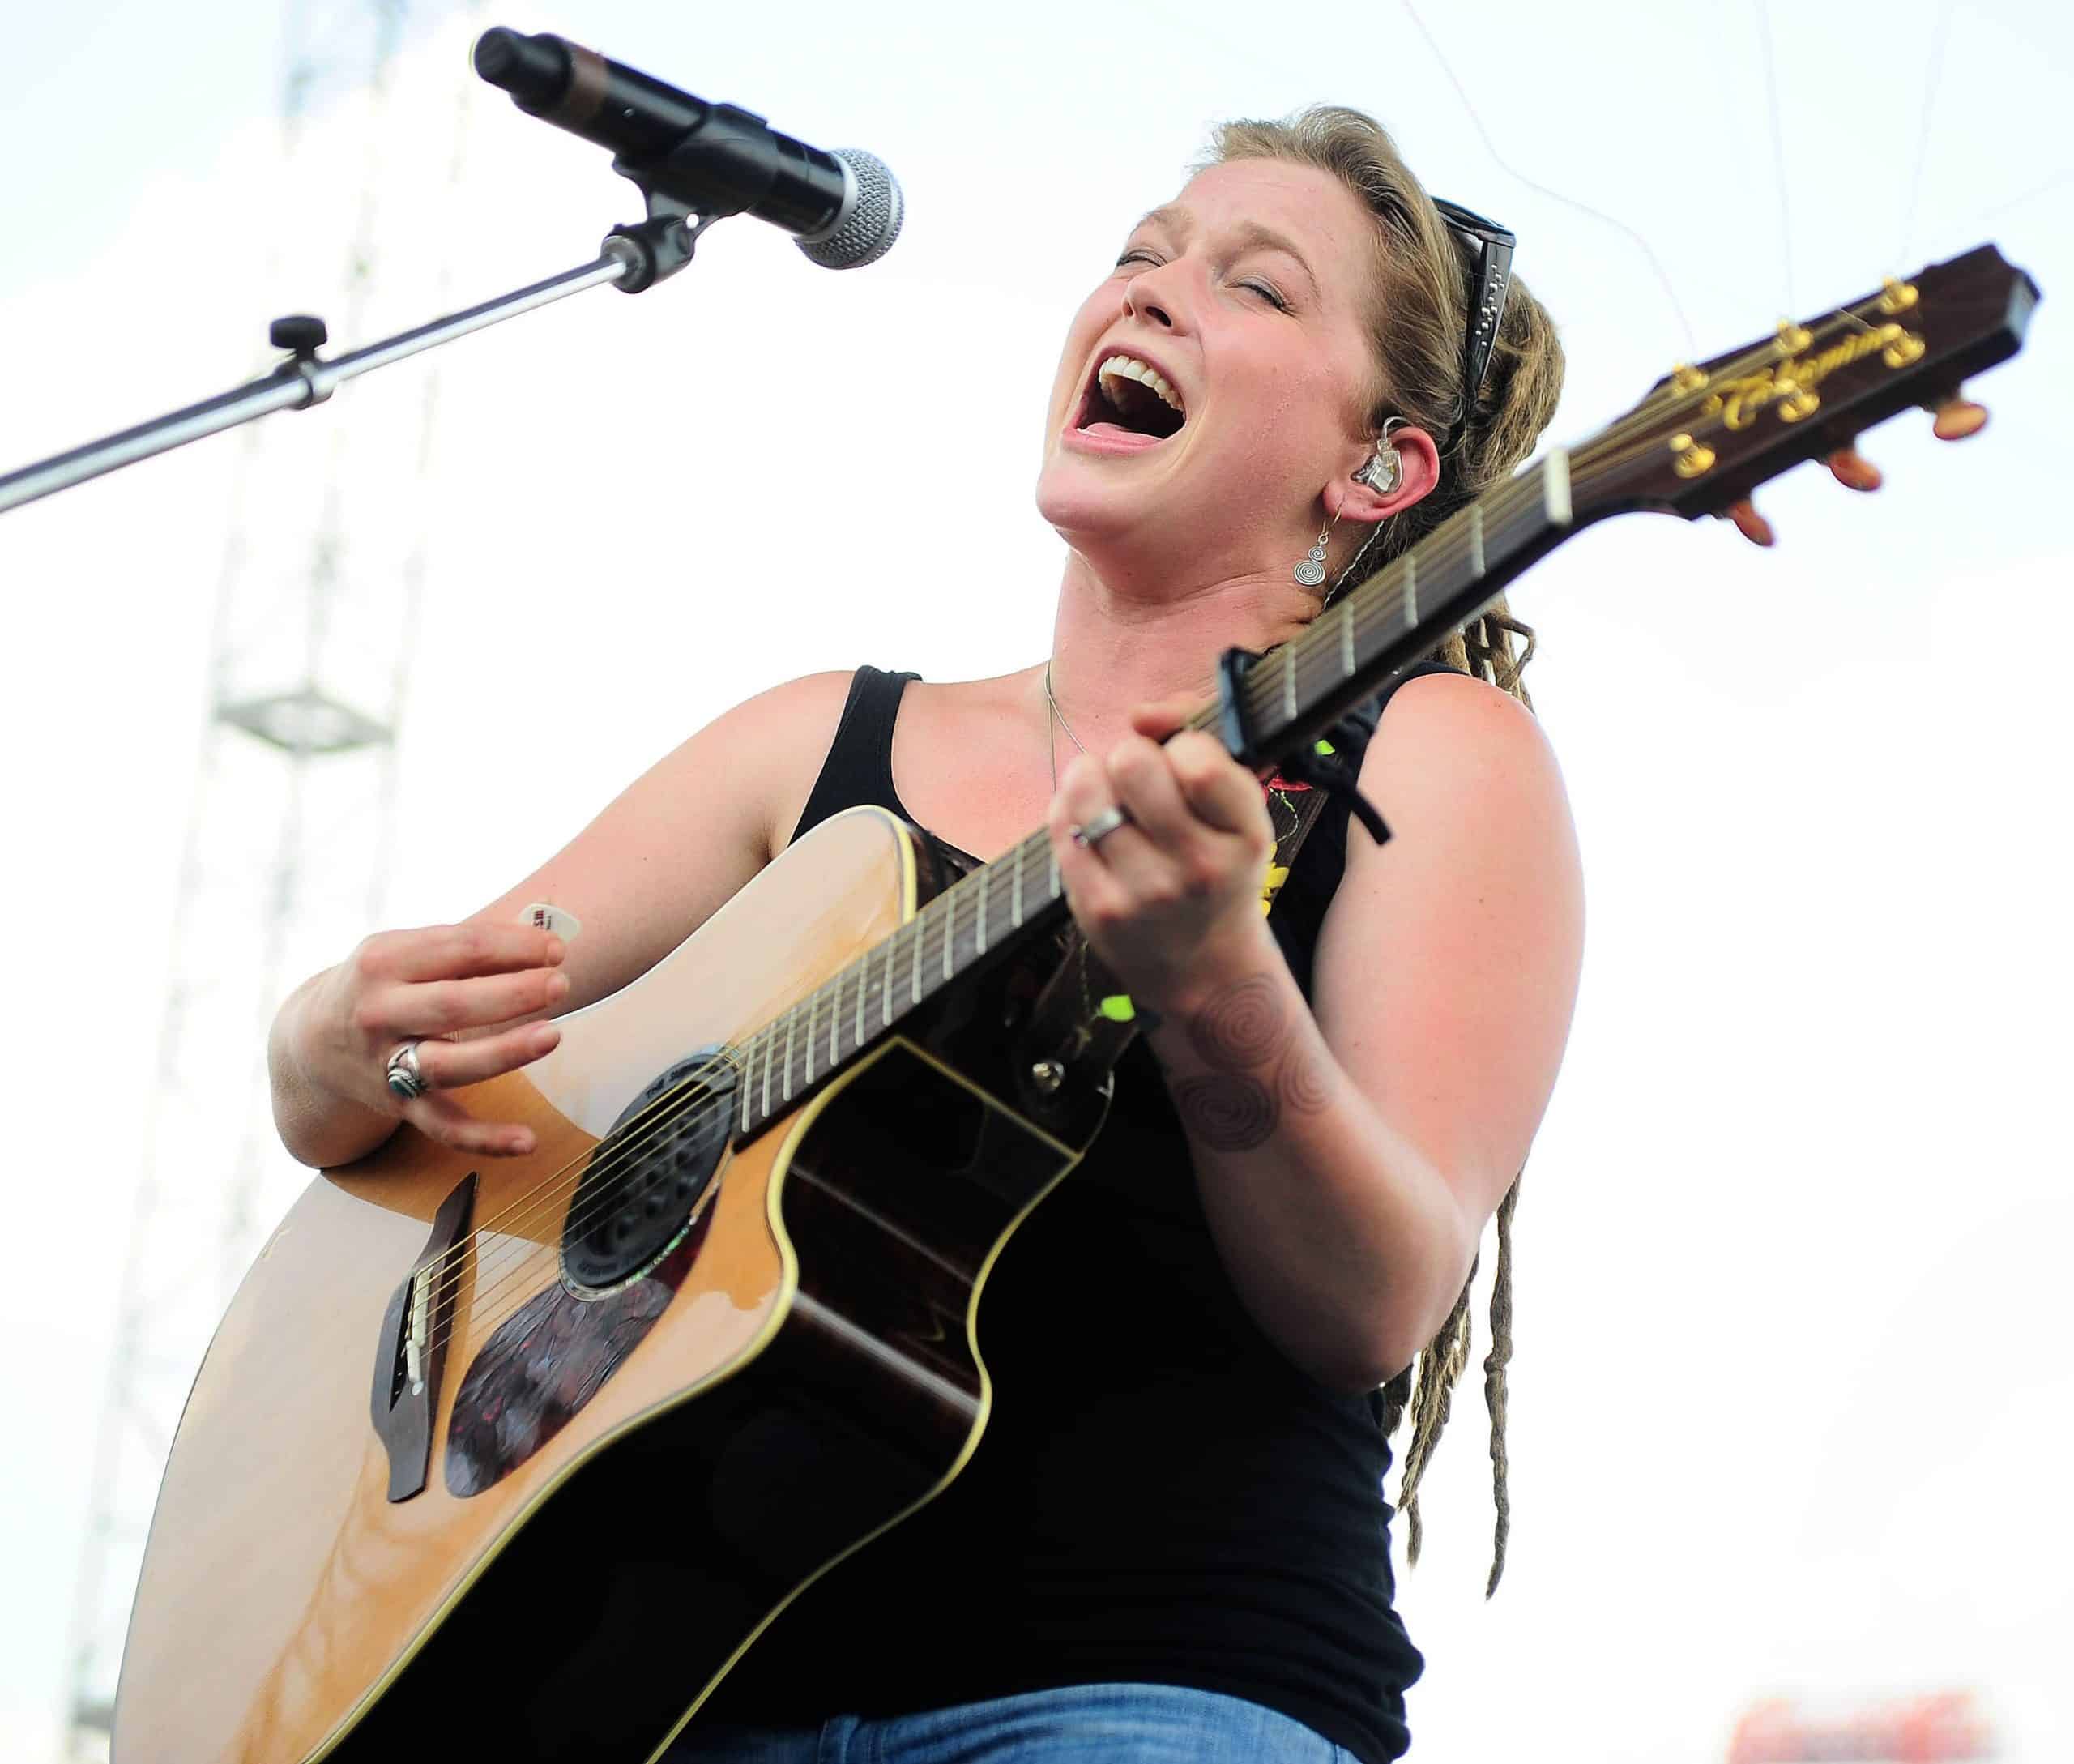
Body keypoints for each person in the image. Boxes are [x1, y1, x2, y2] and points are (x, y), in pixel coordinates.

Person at [267, 106, 1584, 1763]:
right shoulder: (812, 744)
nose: (1152, 295)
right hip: (641, 1700)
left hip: (1139, 1690)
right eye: (1139, 254)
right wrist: (320, 1038)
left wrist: (1214, 990)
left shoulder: (1426, 753)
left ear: (1377, 466)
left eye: (1252, 288)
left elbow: (1375, 1299)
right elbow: (386, 1098)